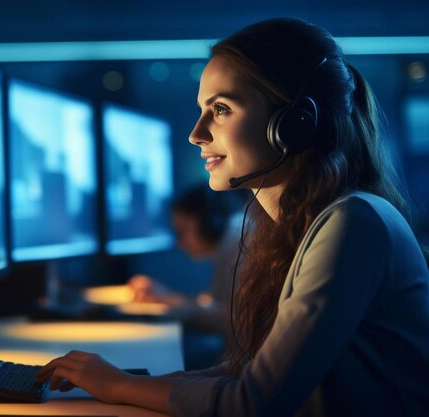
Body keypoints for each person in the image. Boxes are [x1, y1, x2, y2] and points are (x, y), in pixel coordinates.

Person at [36, 17, 429, 416]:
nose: (196, 133)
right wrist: (127, 382)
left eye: (221, 109)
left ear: (293, 124)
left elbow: (254, 402)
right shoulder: (308, 225)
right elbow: (248, 371)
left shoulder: (353, 223)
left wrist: (119, 385)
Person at [127, 184, 246, 353]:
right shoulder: (231, 240)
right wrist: (167, 298)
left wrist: (181, 308)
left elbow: (237, 319)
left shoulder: (243, 242)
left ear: (209, 223)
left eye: (181, 232)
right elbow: (213, 305)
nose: (179, 243)